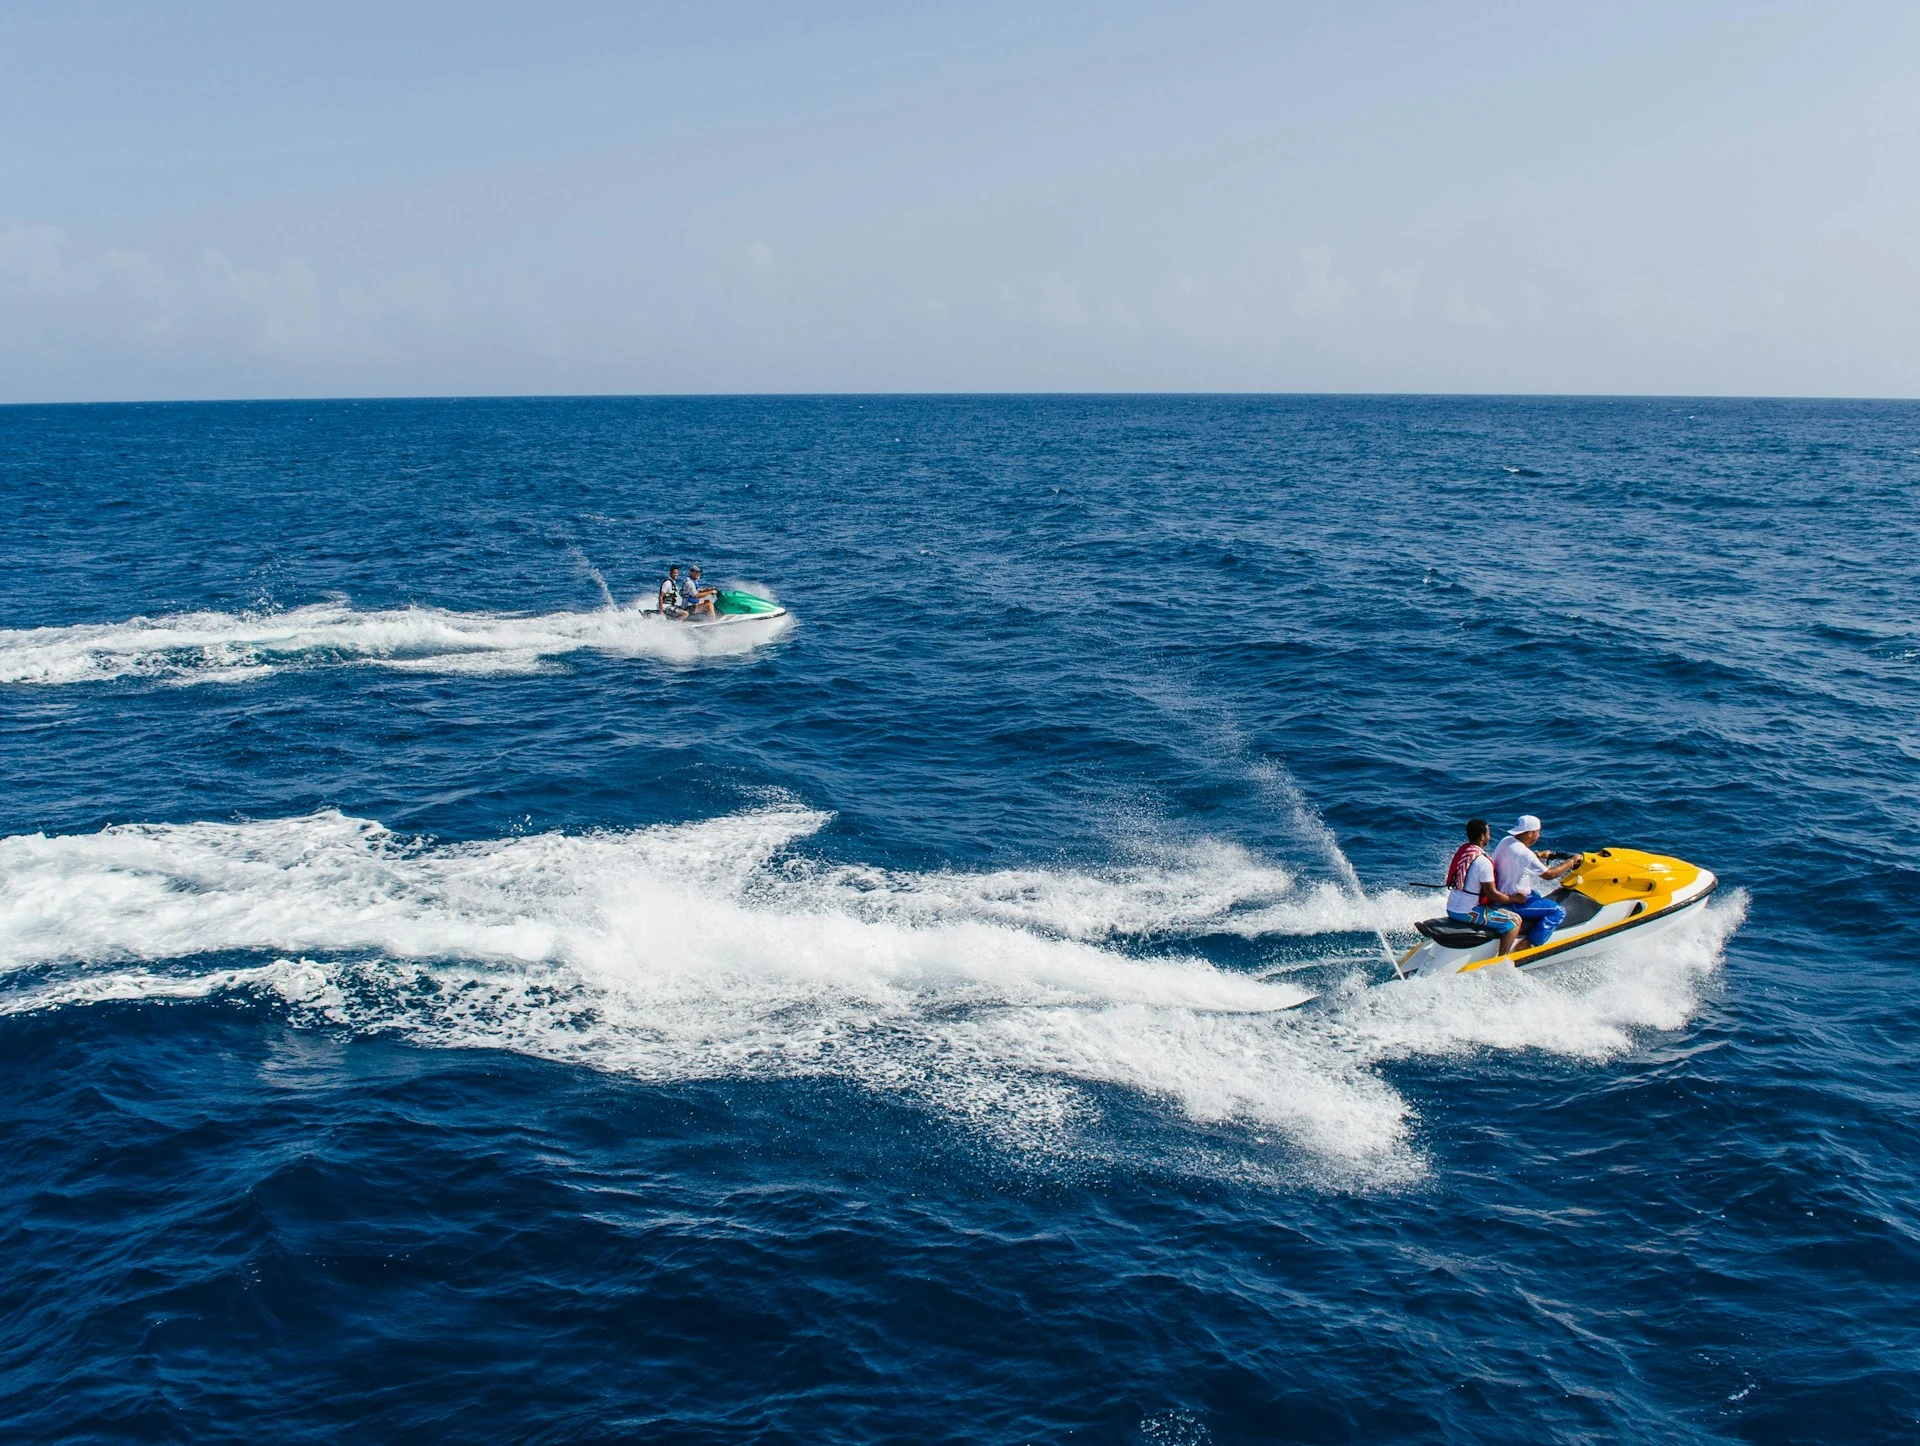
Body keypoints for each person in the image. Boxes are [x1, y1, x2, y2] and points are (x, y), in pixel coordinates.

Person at [1490, 814, 1580, 949]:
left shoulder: (1507, 841)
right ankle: (1527, 944)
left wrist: (1539, 855)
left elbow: (1519, 858)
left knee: (1536, 894)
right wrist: (1571, 861)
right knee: (1558, 911)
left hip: (1502, 893)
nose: (1539, 834)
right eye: (1538, 831)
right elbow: (1549, 875)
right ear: (1531, 833)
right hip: (1513, 902)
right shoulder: (1525, 854)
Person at [1444, 817, 1528, 957]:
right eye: (1488, 833)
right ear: (1483, 836)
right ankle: (1502, 960)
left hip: (1452, 907)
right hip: (1466, 912)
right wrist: (1515, 898)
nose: (1490, 836)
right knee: (1514, 920)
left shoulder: (1466, 852)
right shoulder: (1482, 862)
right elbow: (1492, 895)